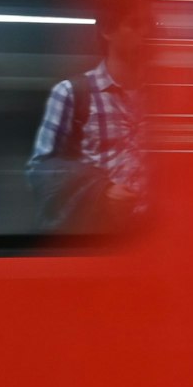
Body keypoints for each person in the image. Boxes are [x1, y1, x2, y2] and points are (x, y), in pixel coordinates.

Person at [27, 14, 144, 231]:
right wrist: (102, 189)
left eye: (153, 25)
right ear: (108, 31)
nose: (146, 33)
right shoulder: (72, 93)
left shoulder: (168, 98)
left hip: (157, 234)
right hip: (99, 229)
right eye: (136, 24)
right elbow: (41, 167)